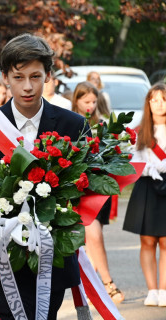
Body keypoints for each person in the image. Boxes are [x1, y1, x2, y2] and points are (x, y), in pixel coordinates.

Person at [0, 33, 85, 319]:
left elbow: (84, 194)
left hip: (53, 258)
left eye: (36, 76)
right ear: (5, 78)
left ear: (48, 76)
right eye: (18, 77)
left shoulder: (72, 125)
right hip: (1, 258)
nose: (27, 87)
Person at [71, 81, 124, 303]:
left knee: (93, 237)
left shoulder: (101, 125)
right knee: (92, 235)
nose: (90, 106)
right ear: (77, 100)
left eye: (94, 101)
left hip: (97, 189)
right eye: (86, 101)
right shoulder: (70, 122)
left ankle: (94, 286)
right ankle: (107, 283)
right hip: (77, 189)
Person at [123, 83, 166, 307]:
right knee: (147, 241)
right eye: (154, 99)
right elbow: (132, 160)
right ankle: (152, 290)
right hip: (147, 185)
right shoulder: (139, 130)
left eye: (163, 99)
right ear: (148, 103)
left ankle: (164, 290)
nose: (159, 103)